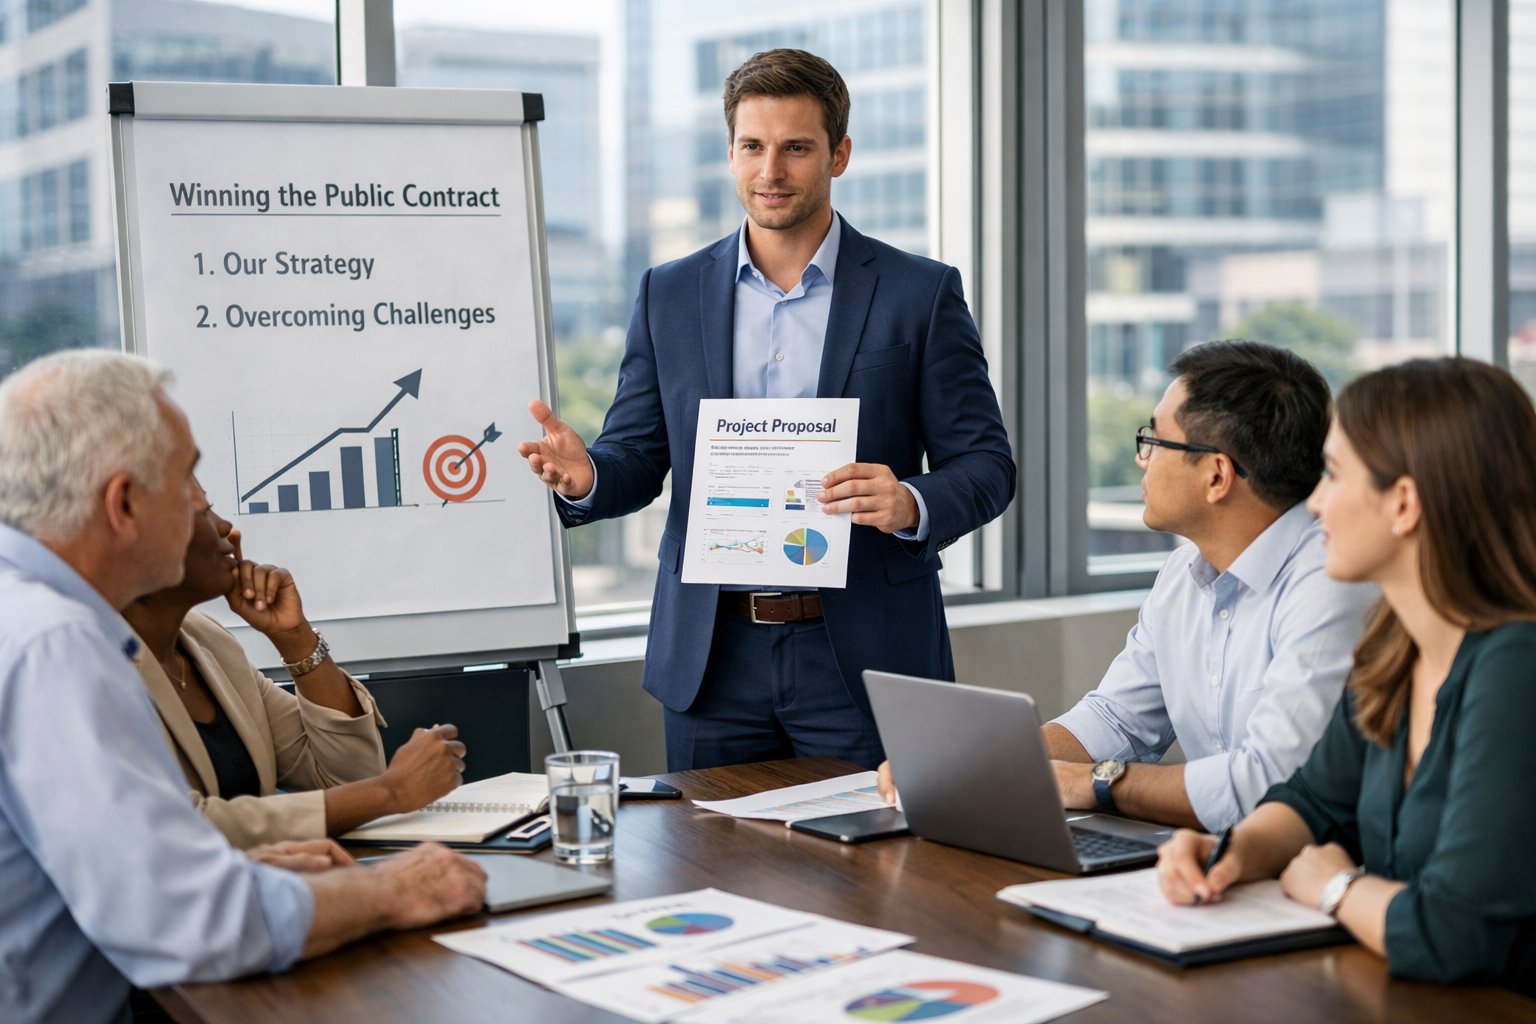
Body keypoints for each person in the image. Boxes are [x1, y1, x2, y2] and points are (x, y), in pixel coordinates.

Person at [518, 48, 1014, 772]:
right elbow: (638, 458)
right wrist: (587, 474)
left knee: (871, 881)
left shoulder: (920, 293)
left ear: (838, 155)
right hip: (714, 659)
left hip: (862, 657)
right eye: (752, 146)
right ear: (729, 153)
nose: (770, 172)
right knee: (711, 867)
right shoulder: (670, 293)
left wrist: (909, 501)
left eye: (796, 149)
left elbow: (987, 465)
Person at [0, 350, 485, 1024]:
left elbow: (144, 867)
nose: (206, 503)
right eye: (188, 477)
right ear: (123, 503)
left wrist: (237, 870)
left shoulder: (38, 618)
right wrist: (391, 892)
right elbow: (185, 919)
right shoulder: (55, 644)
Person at [881, 341, 1377, 830]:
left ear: (1216, 476)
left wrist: (1095, 784)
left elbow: (1268, 784)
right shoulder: (1182, 576)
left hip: (1319, 874)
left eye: (1155, 440)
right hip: (1214, 864)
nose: (1143, 458)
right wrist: (971, 765)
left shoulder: (1329, 579)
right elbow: (1118, 720)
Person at [1157, 358, 1536, 994]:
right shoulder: (1394, 646)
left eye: (1334, 474)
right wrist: (1232, 854)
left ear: (1404, 503)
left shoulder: (1515, 669)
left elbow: (1454, 932)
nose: (1315, 500)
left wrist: (1334, 886)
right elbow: (1315, 802)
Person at [123, 490, 466, 848]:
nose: (226, 527)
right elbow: (178, 829)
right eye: (205, 511)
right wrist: (392, 791)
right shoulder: (90, 662)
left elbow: (348, 781)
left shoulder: (208, 640)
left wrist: (295, 637)